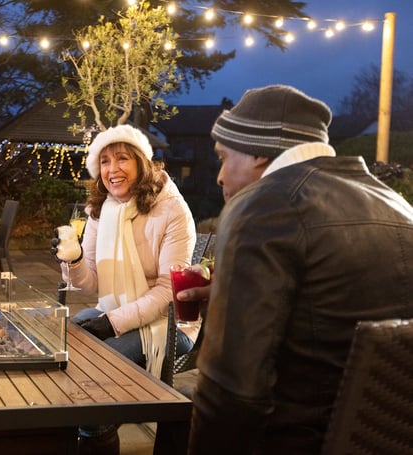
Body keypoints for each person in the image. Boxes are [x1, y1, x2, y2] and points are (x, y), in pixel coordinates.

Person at [185, 85, 413, 454]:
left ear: (258, 152)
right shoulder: (399, 206)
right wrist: (235, 292)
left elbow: (231, 393)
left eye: (224, 158)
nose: (220, 177)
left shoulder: (262, 205)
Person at [53, 124, 197, 454]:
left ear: (142, 163)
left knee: (93, 378)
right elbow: (92, 283)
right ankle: (74, 430)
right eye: (104, 161)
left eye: (122, 158)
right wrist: (72, 259)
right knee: (61, 344)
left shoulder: (172, 210)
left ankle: (95, 425)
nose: (112, 169)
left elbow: (166, 292)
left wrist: (113, 323)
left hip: (169, 325)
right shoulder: (101, 209)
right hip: (117, 308)